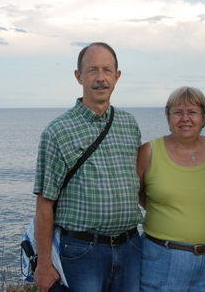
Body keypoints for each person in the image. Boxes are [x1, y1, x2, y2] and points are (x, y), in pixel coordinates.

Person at [32, 42, 143, 292]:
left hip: (131, 248)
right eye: (92, 70)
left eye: (107, 70)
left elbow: (138, 184)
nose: (101, 78)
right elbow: (44, 202)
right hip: (83, 253)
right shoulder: (57, 131)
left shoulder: (129, 124)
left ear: (117, 76)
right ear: (78, 76)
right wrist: (44, 264)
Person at [138, 86, 205, 292]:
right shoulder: (149, 152)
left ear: (204, 117)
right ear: (168, 116)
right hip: (162, 260)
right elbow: (136, 193)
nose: (185, 118)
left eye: (192, 112)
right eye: (178, 112)